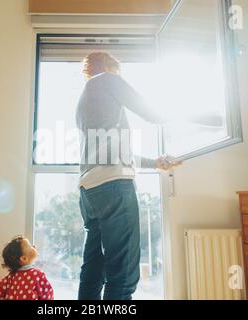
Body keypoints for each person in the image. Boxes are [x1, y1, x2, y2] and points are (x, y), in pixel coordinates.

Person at [76, 52, 181, 300]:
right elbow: (153, 113)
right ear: (108, 67)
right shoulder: (108, 80)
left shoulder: (84, 100)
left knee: (94, 269)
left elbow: (115, 152)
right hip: (113, 188)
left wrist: (154, 162)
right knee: (122, 275)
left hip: (90, 191)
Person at [0, 235, 54, 300]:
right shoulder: (37, 275)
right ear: (24, 258)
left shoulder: (11, 276)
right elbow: (48, 296)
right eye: (30, 246)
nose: (34, 246)